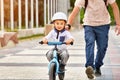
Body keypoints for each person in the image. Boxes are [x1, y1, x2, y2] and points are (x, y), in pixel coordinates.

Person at [66, 0, 120, 79]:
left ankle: (97, 66)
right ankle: (90, 66)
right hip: (89, 25)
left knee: (102, 47)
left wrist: (118, 24)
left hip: (103, 24)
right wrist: (68, 24)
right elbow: (75, 11)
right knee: (90, 42)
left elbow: (114, 7)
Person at [41, 12, 74, 80]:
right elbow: (47, 37)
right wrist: (44, 40)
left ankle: (62, 65)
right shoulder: (52, 32)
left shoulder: (66, 32)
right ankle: (52, 65)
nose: (59, 25)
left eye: (61, 23)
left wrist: (70, 41)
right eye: (57, 23)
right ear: (54, 24)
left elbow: (71, 38)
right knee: (49, 53)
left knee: (65, 54)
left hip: (62, 49)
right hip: (55, 48)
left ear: (65, 24)